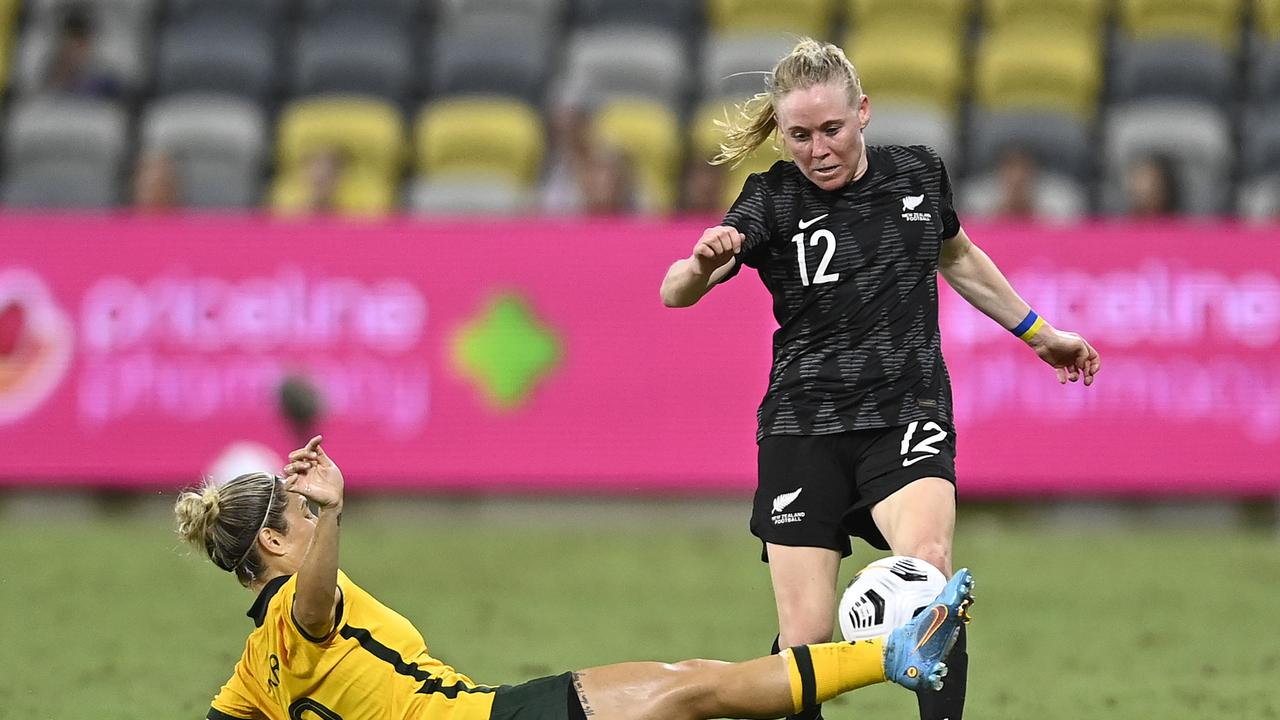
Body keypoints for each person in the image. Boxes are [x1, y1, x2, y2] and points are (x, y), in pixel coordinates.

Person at [659, 39, 1099, 720]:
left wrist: (1041, 334)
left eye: (831, 129)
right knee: (805, 639)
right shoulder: (768, 200)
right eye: (799, 135)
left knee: (929, 575)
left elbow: (959, 258)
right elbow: (675, 292)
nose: (818, 148)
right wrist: (699, 261)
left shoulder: (918, 176)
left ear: (862, 112)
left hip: (906, 411)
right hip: (803, 427)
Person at [175, 436, 975, 720]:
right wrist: (337, 510)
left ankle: (893, 655)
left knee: (696, 690)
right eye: (303, 516)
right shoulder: (301, 606)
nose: (315, 525)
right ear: (276, 543)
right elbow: (313, 609)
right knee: (696, 688)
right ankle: (891, 656)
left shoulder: (253, 677)